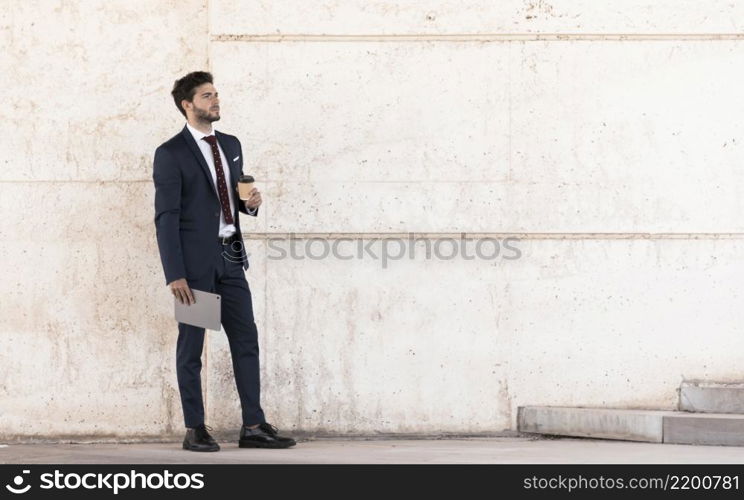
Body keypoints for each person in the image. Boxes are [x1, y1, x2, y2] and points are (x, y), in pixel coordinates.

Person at [152, 71, 295, 451]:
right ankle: (195, 428)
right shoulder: (171, 153)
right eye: (206, 96)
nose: (215, 101)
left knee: (246, 339)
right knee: (193, 346)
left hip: (231, 256)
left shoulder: (230, 144)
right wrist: (175, 274)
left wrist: (249, 205)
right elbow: (166, 216)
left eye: (216, 94)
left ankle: (253, 425)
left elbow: (229, 196)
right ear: (188, 105)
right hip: (196, 266)